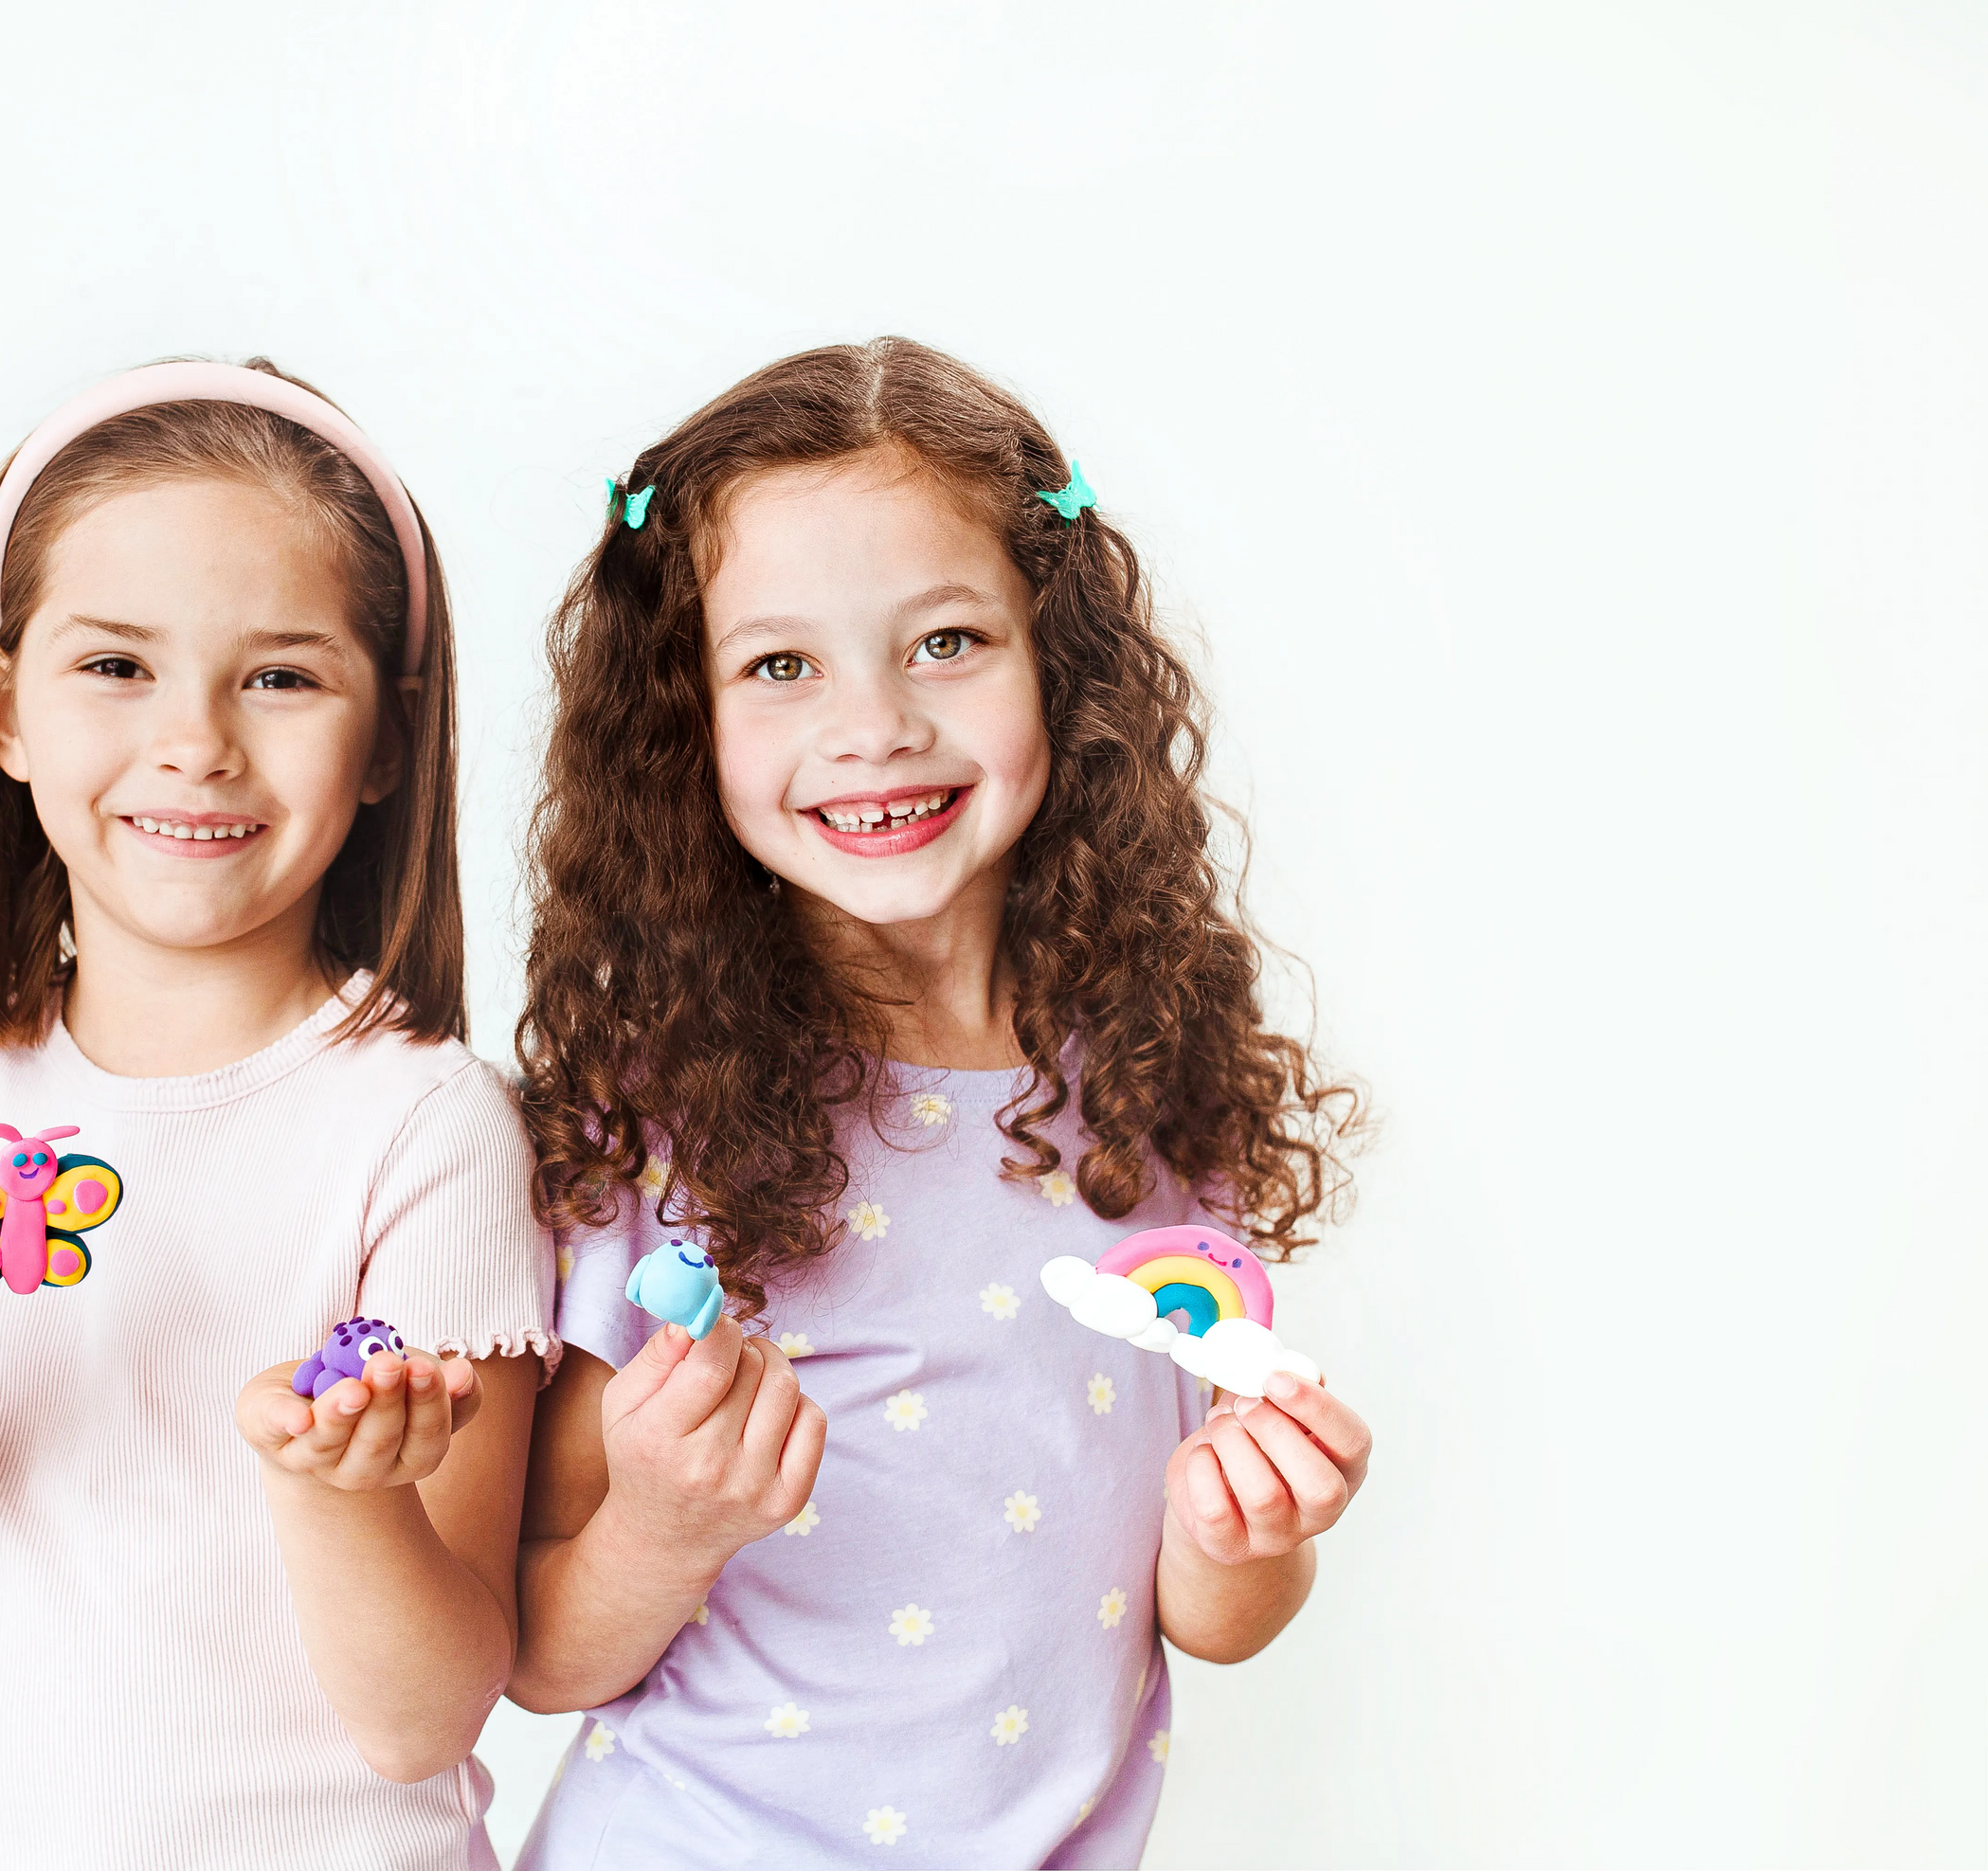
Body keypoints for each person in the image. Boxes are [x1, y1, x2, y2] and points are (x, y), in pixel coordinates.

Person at [507, 339, 1372, 1868]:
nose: (877, 725)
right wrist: (665, 1527)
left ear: (1065, 664)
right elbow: (547, 1653)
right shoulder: (661, 1116)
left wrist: (1253, 1529)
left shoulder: (1151, 1081)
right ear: (679, 722)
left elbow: (1206, 1618)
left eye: (947, 641)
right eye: (782, 665)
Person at [0, 360, 551, 1870]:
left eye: (281, 675)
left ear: (388, 737)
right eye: (116, 666)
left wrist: (342, 1499)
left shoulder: (428, 1125)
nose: (197, 741)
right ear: (5, 712)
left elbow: (426, 1716)